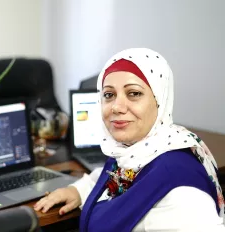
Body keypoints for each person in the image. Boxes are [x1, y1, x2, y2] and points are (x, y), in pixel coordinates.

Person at [34, 48, 225, 231]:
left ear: (160, 99)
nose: (117, 107)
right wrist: (78, 191)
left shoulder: (180, 190)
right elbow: (117, 177)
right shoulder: (138, 150)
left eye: (134, 93)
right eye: (109, 95)